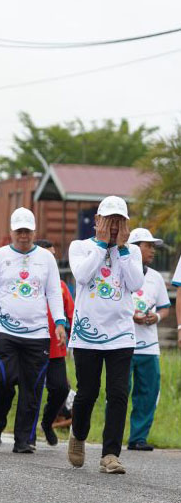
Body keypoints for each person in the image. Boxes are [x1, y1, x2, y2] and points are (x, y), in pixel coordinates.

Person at [0, 208, 65, 454]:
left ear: (34, 231)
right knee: (3, 380)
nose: (23, 236)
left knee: (33, 387)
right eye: (19, 231)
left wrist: (60, 322)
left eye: (27, 231)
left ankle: (23, 439)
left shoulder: (46, 258)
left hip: (38, 334)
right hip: (6, 330)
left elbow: (53, 292)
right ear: (12, 231)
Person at [67, 196, 143, 474]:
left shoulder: (131, 252)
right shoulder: (81, 247)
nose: (113, 226)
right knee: (88, 392)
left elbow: (135, 284)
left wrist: (121, 249)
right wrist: (101, 245)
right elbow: (83, 276)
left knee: (119, 393)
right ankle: (78, 433)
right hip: (87, 333)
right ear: (97, 220)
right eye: (108, 220)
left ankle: (110, 454)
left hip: (121, 334)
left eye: (119, 221)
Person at [126, 228, 169, 451]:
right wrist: (130, 314)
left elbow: (165, 308)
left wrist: (157, 317)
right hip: (123, 343)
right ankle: (111, 435)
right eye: (147, 245)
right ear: (134, 247)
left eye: (153, 246)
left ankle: (138, 438)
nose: (152, 250)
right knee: (120, 392)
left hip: (149, 346)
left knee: (147, 392)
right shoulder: (121, 271)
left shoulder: (156, 278)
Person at [34, 239, 75, 447]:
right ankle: (27, 433)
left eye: (53, 255)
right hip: (31, 345)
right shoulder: (28, 283)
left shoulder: (61, 287)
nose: (51, 259)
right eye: (46, 254)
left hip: (56, 349)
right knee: (31, 390)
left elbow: (72, 315)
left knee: (60, 389)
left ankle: (47, 422)